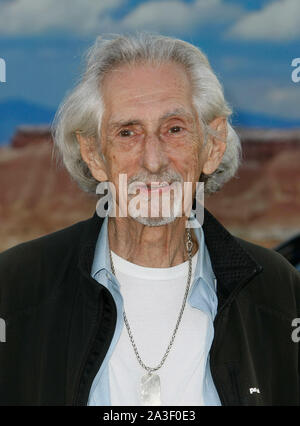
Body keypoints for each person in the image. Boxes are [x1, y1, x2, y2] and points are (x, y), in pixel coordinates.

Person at [0, 33, 299, 406]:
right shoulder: (14, 288)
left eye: (174, 129)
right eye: (128, 133)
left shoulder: (278, 292)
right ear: (93, 154)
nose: (153, 160)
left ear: (212, 145)